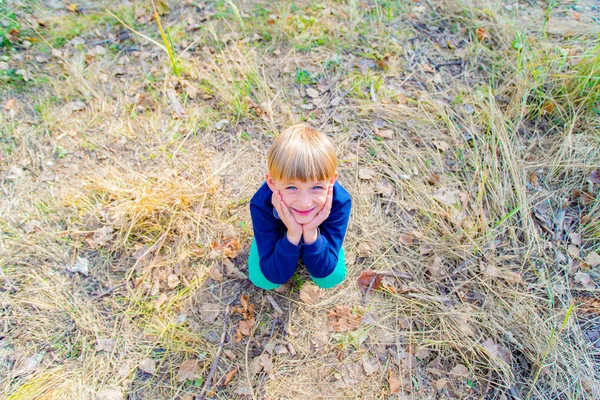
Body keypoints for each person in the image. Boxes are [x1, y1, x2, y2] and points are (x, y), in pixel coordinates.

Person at [248, 123, 352, 290]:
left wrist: (310, 232)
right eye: (292, 187)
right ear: (272, 183)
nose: (305, 203)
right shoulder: (261, 204)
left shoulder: (340, 202)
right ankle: (285, 243)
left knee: (332, 276)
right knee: (263, 278)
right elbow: (275, 275)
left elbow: (323, 270)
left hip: (319, 235)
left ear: (331, 181)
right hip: (279, 236)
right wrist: (293, 233)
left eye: (316, 187)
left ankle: (311, 243)